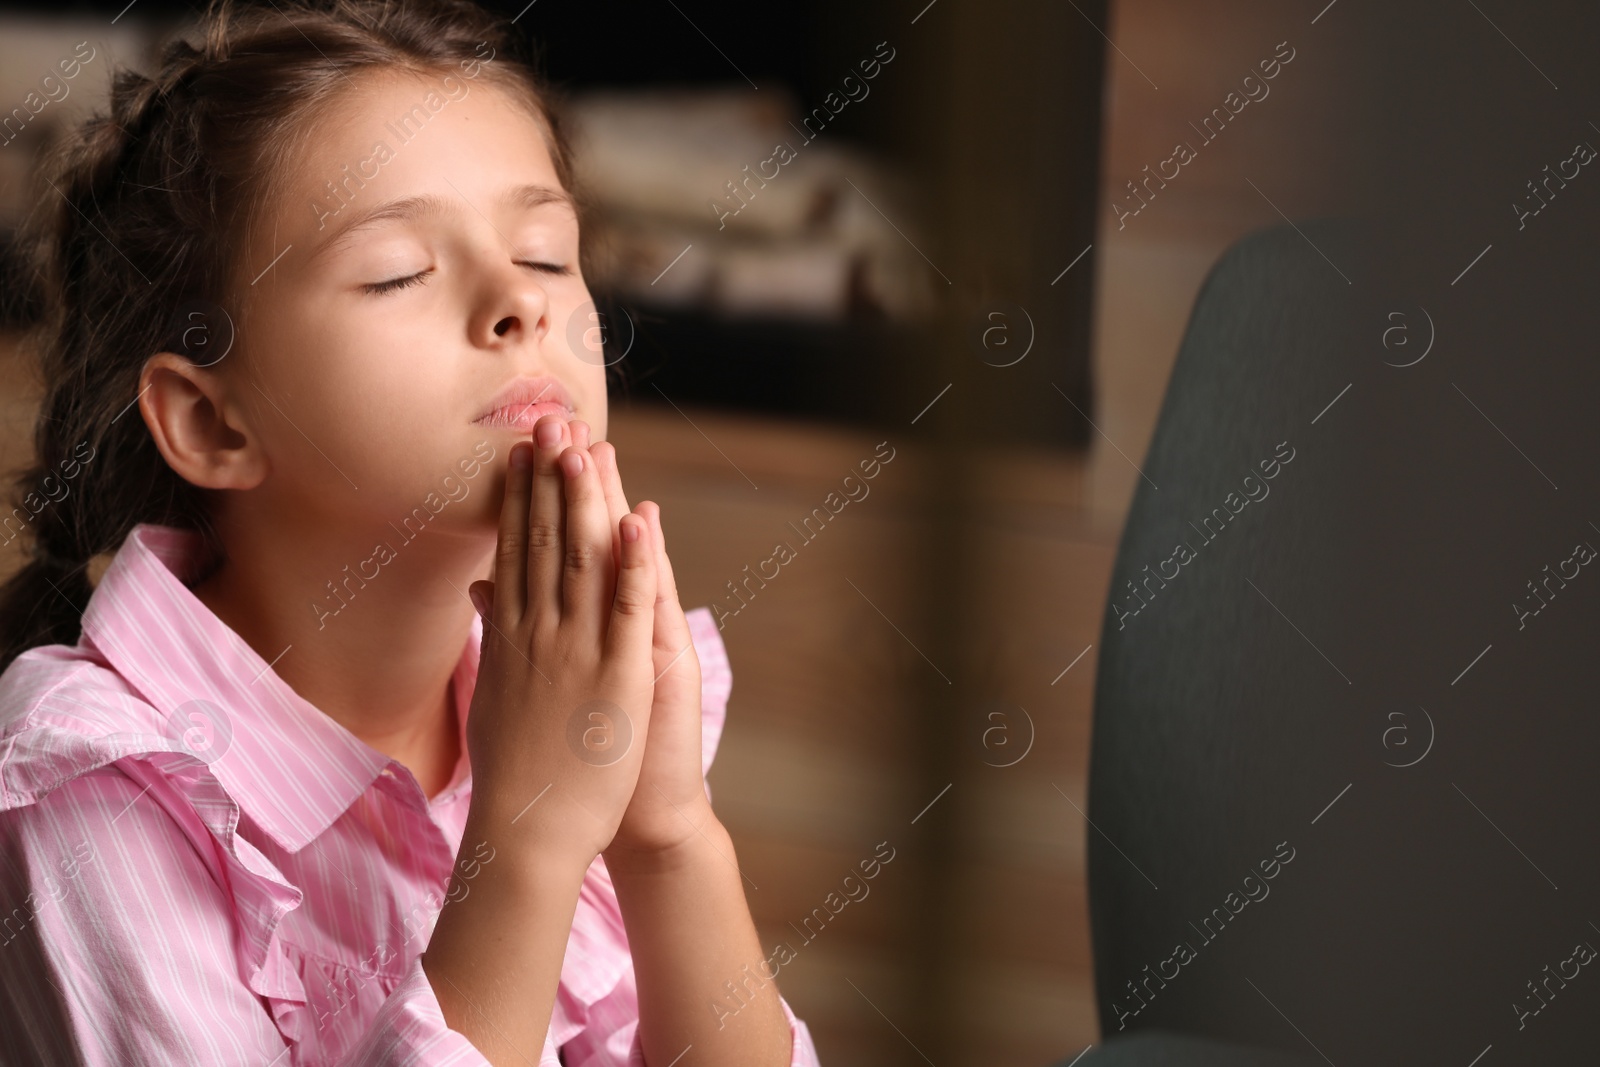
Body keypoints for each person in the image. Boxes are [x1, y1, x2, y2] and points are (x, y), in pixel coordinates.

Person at [0, 0, 820, 1063]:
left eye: (545, 254)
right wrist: (524, 843)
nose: (516, 306)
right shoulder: (94, 788)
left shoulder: (552, 689)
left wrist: (667, 836)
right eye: (397, 272)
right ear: (211, 421)